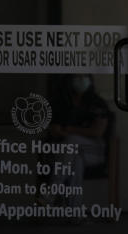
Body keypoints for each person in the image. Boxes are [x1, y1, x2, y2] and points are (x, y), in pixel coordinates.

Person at [41, 74, 112, 204]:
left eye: (83, 77)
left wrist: (70, 130)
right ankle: (75, 214)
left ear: (90, 80)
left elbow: (97, 132)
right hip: (67, 153)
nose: (80, 81)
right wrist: (64, 132)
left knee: (72, 140)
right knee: (76, 162)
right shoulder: (61, 102)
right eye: (76, 78)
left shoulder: (97, 103)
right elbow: (54, 130)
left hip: (94, 151)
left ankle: (52, 191)